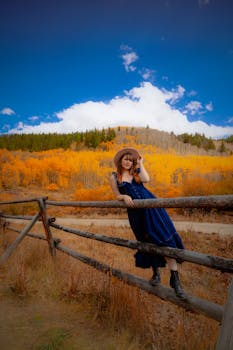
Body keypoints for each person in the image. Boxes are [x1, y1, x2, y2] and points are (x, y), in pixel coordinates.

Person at [110, 147, 186, 299]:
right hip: (136, 215)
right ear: (120, 160)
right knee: (147, 241)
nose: (128, 162)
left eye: (131, 160)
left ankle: (175, 279)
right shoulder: (114, 176)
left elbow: (147, 180)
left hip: (152, 209)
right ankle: (156, 273)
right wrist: (124, 197)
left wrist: (141, 164)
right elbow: (116, 195)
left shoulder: (136, 173)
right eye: (125, 159)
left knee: (164, 239)